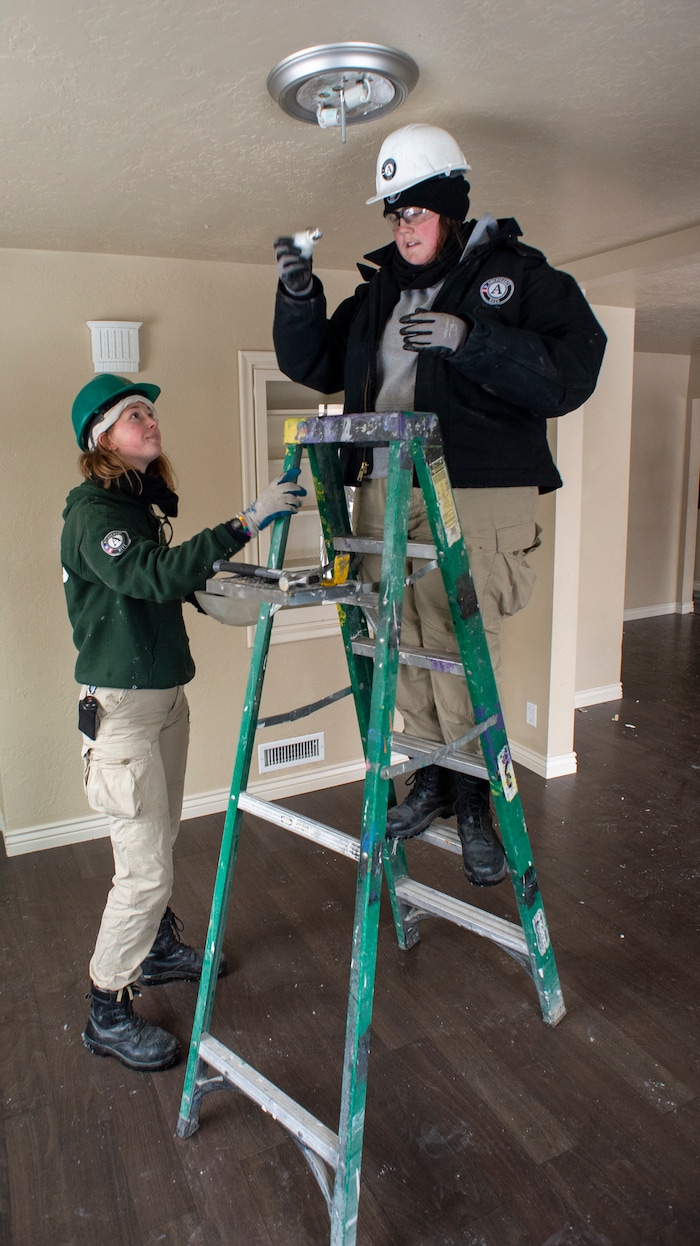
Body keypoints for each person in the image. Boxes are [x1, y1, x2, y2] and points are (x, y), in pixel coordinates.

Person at [272, 123, 607, 888]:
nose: (402, 226)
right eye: (393, 213)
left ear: (451, 208)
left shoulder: (518, 278)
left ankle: (476, 802)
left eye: (416, 212)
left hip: (474, 485)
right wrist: (299, 294)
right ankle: (430, 778)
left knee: (457, 648)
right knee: (400, 642)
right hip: (386, 485)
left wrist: (470, 338)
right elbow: (315, 361)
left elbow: (570, 373)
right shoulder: (379, 291)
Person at [62, 372, 306, 1071]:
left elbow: (161, 583)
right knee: (141, 872)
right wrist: (246, 522)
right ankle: (106, 1009)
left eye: (151, 412)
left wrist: (220, 585)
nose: (151, 420)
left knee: (160, 838)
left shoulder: (135, 506)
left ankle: (161, 948)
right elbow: (149, 576)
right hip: (124, 714)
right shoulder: (93, 514)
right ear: (101, 437)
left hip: (165, 699)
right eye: (134, 414)